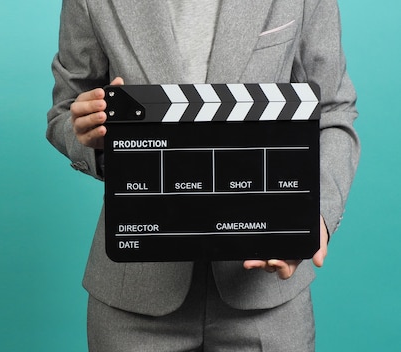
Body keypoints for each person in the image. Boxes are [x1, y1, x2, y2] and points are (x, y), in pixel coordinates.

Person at [46, 0, 360, 351]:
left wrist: (315, 218)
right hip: (135, 295)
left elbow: (333, 108)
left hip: (264, 290)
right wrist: (91, 136)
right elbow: (65, 110)